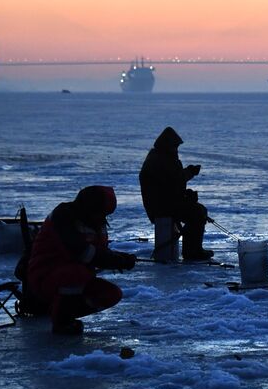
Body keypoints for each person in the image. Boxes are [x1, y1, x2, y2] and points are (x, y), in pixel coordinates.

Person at [27, 186, 136, 335]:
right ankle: (62, 321)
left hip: (78, 277)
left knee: (111, 294)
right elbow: (83, 253)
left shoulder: (96, 222)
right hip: (44, 276)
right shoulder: (63, 217)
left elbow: (99, 252)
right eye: (101, 213)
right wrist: (115, 261)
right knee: (76, 273)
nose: (103, 218)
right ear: (90, 207)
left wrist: (121, 257)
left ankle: (60, 310)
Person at [139, 126, 213, 260]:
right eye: (175, 146)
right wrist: (190, 173)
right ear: (168, 145)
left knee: (198, 211)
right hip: (161, 207)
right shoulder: (160, 160)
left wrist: (185, 195)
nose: (176, 149)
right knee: (197, 212)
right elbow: (174, 181)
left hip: (164, 203)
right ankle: (192, 252)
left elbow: (172, 184)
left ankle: (193, 249)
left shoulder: (161, 157)